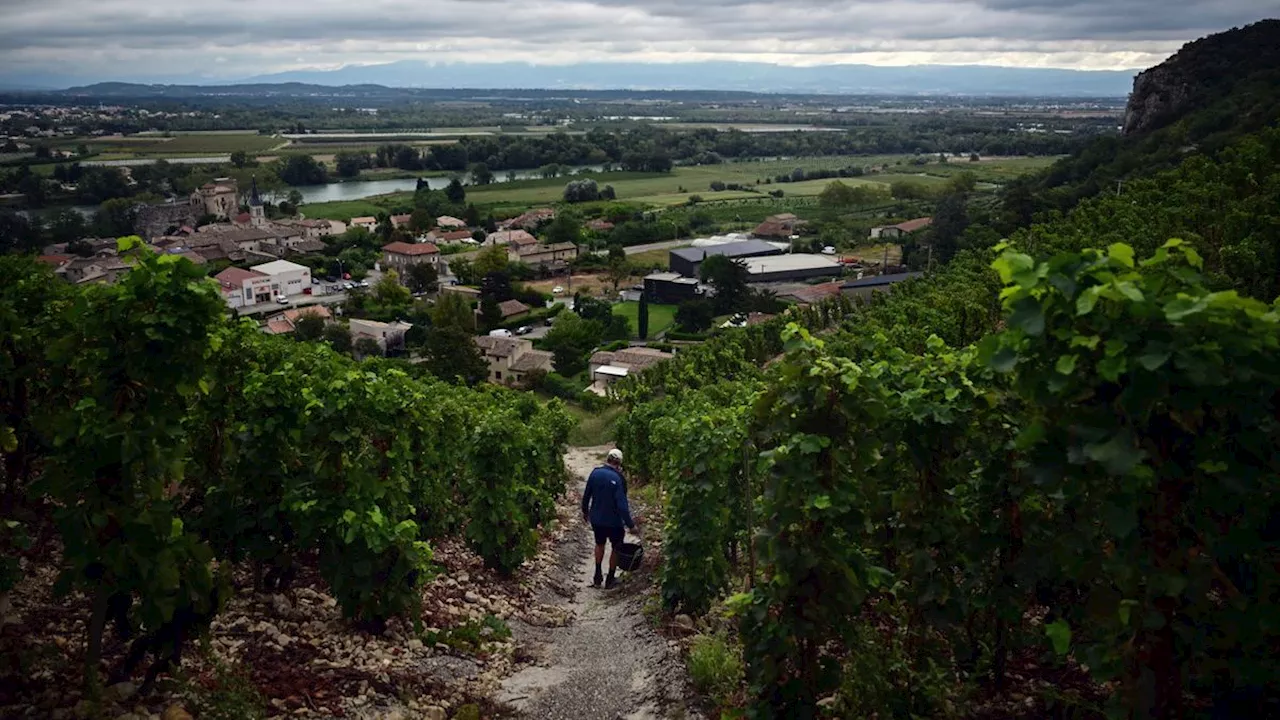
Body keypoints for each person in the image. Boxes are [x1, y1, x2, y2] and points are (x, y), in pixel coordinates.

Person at [581, 448, 637, 588]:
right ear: (619, 464)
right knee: (616, 548)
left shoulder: (595, 473)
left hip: (597, 519)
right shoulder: (618, 479)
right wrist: (631, 525)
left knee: (599, 544)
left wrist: (585, 512)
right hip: (614, 522)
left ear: (607, 459)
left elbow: (586, 495)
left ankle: (597, 575)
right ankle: (610, 579)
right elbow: (622, 506)